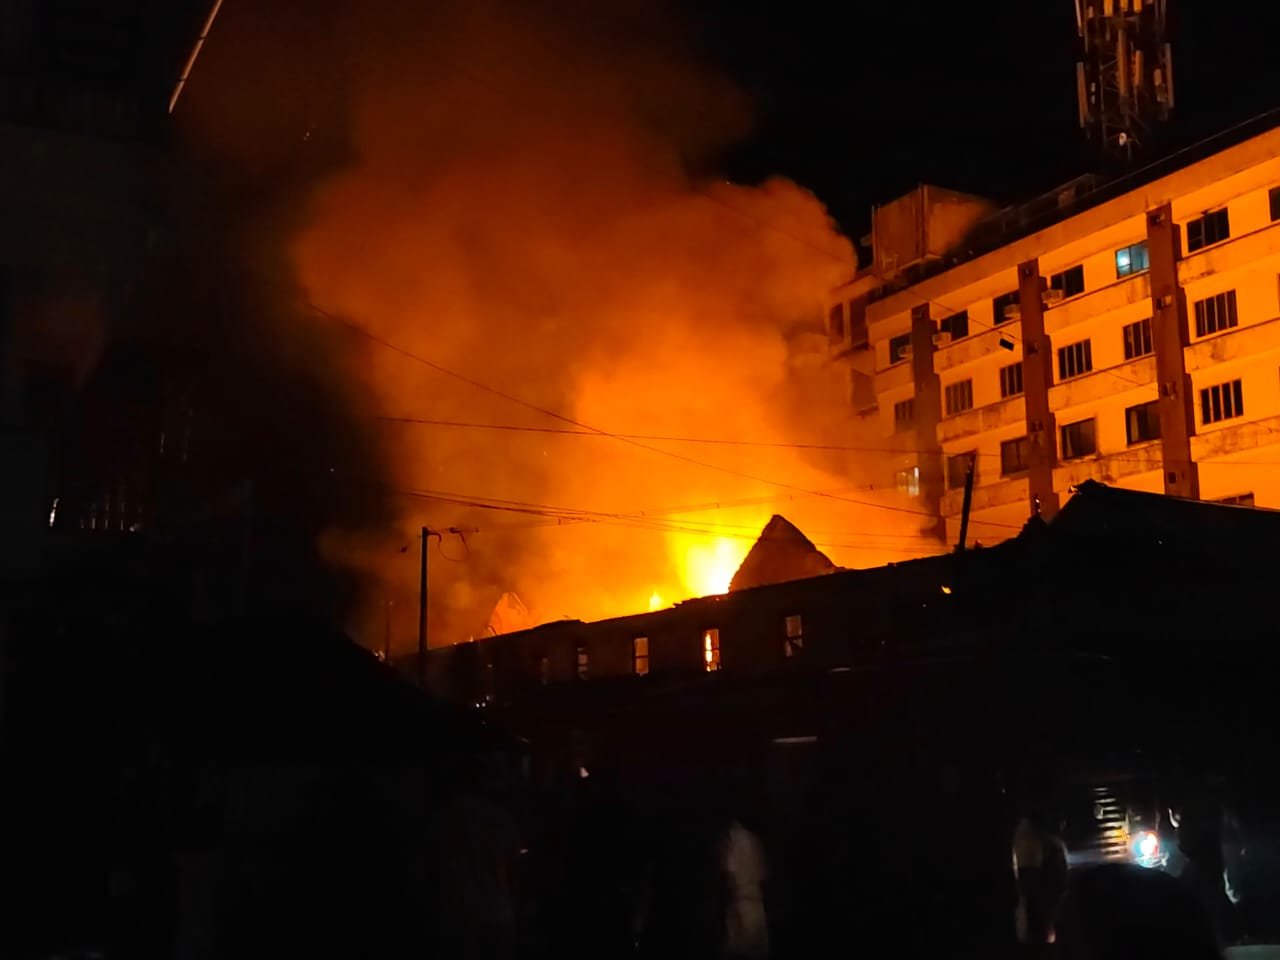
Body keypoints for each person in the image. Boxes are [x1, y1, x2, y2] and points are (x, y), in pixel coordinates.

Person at [434, 755, 522, 960]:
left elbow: (434, 866)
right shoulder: (502, 819)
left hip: (458, 914)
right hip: (496, 913)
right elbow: (514, 869)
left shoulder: (444, 819)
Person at [720, 808, 770, 959]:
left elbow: (729, 866)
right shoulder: (755, 840)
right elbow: (763, 873)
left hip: (741, 901)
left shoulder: (733, 840)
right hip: (757, 902)